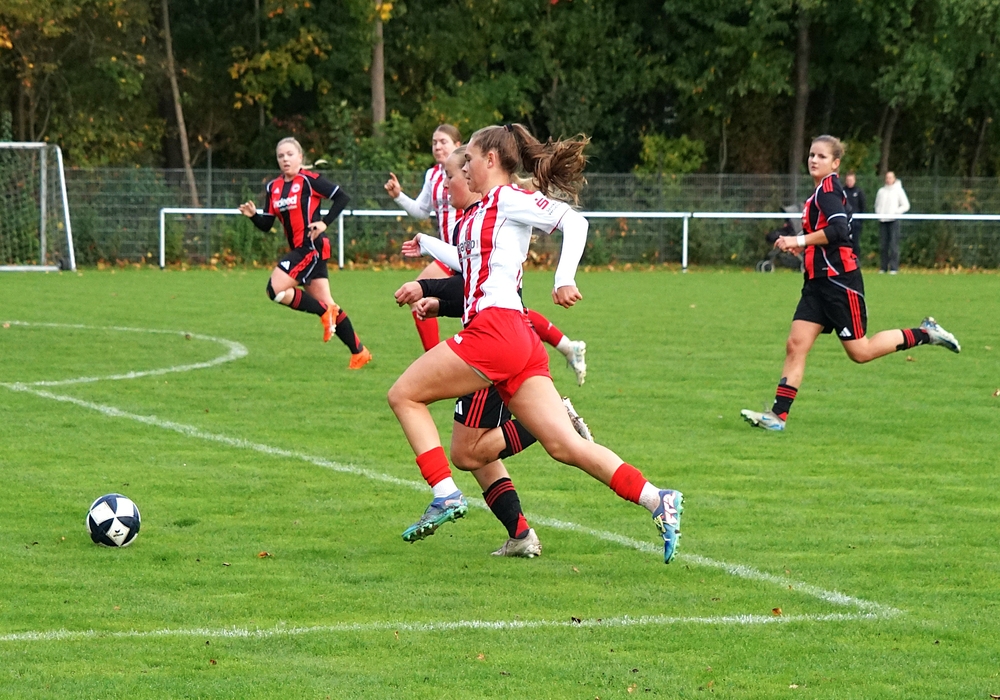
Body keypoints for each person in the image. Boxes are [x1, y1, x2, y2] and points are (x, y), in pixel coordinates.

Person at [386, 123, 683, 564]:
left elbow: (575, 222)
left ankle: (445, 492)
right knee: (565, 446)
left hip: (494, 332)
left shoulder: (507, 199)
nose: (462, 168)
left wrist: (564, 278)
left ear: (491, 160)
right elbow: (468, 263)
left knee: (404, 395)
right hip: (519, 340)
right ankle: (657, 498)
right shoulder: (481, 211)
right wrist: (428, 244)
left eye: (469, 160)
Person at [391, 146, 593, 558]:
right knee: (473, 453)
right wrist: (435, 288)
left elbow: (483, 290)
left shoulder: (495, 212)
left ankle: (550, 425)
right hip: (489, 339)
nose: (449, 183)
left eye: (455, 174)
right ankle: (520, 534)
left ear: (476, 174)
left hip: (492, 347)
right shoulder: (471, 221)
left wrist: (426, 286)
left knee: (468, 450)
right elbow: (470, 288)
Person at [741, 136, 960, 432]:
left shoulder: (828, 191)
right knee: (795, 344)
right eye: (811, 154)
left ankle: (927, 333)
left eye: (821, 156)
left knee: (860, 352)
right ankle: (778, 416)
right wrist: (802, 244)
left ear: (835, 163)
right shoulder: (818, 192)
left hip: (839, 282)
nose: (814, 160)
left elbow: (839, 230)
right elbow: (826, 235)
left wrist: (798, 240)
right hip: (816, 284)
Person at [239, 137, 372, 369]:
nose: (285, 159)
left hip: (311, 247)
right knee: (328, 302)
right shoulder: (273, 188)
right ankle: (359, 352)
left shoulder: (310, 181)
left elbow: (342, 197)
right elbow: (267, 224)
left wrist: (324, 222)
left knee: (275, 289)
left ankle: (325, 312)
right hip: (301, 251)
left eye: (290, 154)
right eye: (281, 156)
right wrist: (253, 216)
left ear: (300, 157)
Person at [384, 125, 463, 352]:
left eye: (443, 142)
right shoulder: (432, 175)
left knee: (488, 311)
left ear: (458, 145)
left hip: (464, 250)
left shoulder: (467, 171)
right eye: (434, 142)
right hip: (447, 254)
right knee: (417, 298)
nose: (437, 146)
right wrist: (399, 196)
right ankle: (434, 359)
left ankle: (434, 360)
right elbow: (421, 211)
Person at [874, 171, 910, 274]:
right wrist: (879, 213)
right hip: (883, 221)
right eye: (887, 177)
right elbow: (877, 205)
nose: (888, 180)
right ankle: (883, 267)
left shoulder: (899, 191)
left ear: (894, 179)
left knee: (894, 245)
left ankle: (894, 268)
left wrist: (896, 212)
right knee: (883, 245)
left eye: (890, 178)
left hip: (894, 221)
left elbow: (906, 205)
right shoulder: (881, 191)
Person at [843, 171, 866, 257]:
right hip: (844, 223)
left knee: (855, 243)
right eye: (848, 180)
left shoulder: (859, 191)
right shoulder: (842, 191)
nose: (849, 182)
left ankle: (856, 260)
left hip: (856, 223)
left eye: (851, 180)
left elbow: (863, 206)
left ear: (854, 180)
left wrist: (860, 221)